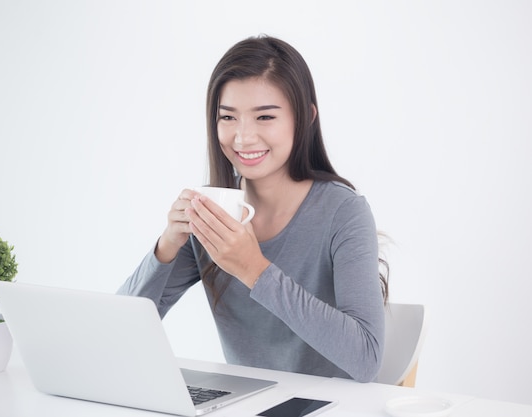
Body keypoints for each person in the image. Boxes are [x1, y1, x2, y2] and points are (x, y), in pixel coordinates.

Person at [118, 35, 388, 383]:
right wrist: (166, 246)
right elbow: (123, 329)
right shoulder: (215, 213)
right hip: (245, 405)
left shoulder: (343, 212)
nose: (243, 138)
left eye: (264, 117)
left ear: (305, 118)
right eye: (228, 118)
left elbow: (366, 360)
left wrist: (254, 269)